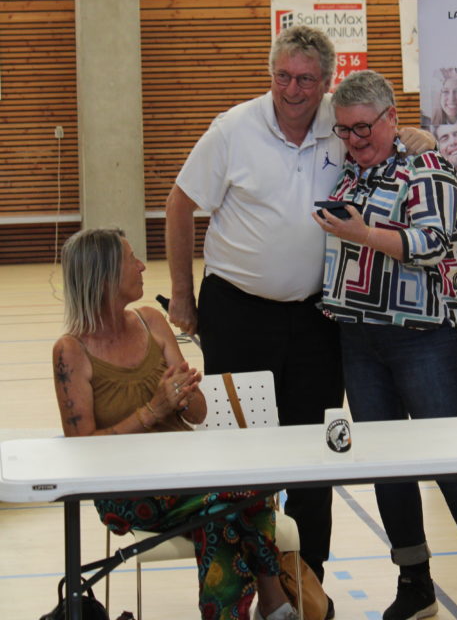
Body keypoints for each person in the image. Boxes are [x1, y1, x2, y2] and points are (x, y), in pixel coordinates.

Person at [165, 24, 432, 590]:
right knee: (240, 453)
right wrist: (183, 295)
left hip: (318, 318)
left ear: (327, 81)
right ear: (271, 74)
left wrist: (416, 136)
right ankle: (244, 582)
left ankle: (308, 585)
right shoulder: (233, 129)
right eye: (283, 76)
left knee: (317, 451)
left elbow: (389, 137)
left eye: (307, 79)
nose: (293, 89)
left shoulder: (342, 124)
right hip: (238, 313)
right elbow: (180, 206)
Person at [313, 70, 457, 620]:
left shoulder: (427, 166)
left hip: (426, 337)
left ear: (391, 117)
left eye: (363, 127)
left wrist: (363, 234)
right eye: (344, 130)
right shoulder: (349, 169)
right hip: (359, 337)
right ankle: (414, 582)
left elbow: (433, 243)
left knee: (453, 462)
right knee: (388, 466)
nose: (353, 139)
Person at [52, 228, 295, 620]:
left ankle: (255, 607)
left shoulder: (150, 320)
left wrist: (185, 395)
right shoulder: (71, 351)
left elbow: (197, 414)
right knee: (231, 500)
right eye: (131, 259)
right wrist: (152, 410)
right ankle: (274, 599)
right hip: (125, 488)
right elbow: (82, 446)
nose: (142, 266)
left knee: (225, 507)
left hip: (186, 472)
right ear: (105, 276)